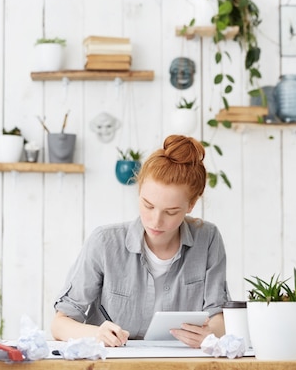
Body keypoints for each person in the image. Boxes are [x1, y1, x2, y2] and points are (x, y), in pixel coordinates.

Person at [51, 134, 229, 348]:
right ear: (139, 191)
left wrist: (210, 334)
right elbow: (60, 324)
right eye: (148, 205)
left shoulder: (208, 239)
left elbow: (218, 316)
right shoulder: (105, 242)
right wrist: (96, 333)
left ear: (191, 205)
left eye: (171, 212)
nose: (156, 221)